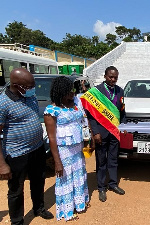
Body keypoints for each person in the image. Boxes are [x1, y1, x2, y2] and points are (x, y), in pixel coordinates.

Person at [0, 68, 54, 225]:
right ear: (17, 85)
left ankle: (39, 208)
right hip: (17, 153)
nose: (33, 89)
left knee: (38, 180)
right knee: (16, 190)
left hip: (37, 148)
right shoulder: (3, 103)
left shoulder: (29, 96)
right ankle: (17, 221)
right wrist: (2, 164)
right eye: (30, 86)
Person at [44, 76, 93, 221]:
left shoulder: (76, 103)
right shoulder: (51, 110)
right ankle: (67, 210)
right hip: (64, 151)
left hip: (77, 148)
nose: (72, 93)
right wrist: (57, 161)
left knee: (78, 175)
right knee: (66, 177)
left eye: (72, 90)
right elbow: (52, 137)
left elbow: (83, 121)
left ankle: (79, 204)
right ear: (60, 92)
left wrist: (88, 140)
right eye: (68, 92)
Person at [80, 66, 126, 202]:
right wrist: (95, 132)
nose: (113, 80)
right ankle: (101, 187)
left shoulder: (120, 91)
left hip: (114, 132)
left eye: (115, 77)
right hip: (101, 132)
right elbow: (91, 115)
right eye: (111, 77)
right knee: (101, 161)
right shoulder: (96, 92)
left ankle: (113, 184)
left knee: (113, 159)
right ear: (105, 76)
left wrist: (123, 125)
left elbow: (122, 111)